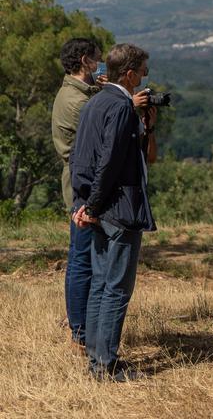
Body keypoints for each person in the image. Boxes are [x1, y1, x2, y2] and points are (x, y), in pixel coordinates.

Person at [70, 43, 156, 382]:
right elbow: (109, 161)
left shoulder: (94, 102)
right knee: (116, 288)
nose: (146, 78)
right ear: (130, 73)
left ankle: (96, 357)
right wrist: (92, 206)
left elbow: (82, 156)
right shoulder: (121, 106)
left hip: (97, 205)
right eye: (143, 71)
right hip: (117, 208)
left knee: (101, 284)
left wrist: (84, 202)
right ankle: (105, 364)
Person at [51, 38, 105, 353]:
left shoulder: (80, 94)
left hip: (81, 183)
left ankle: (82, 329)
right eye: (96, 58)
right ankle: (80, 333)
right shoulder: (77, 101)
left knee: (82, 257)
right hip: (84, 187)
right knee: (82, 259)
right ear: (85, 60)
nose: (99, 63)